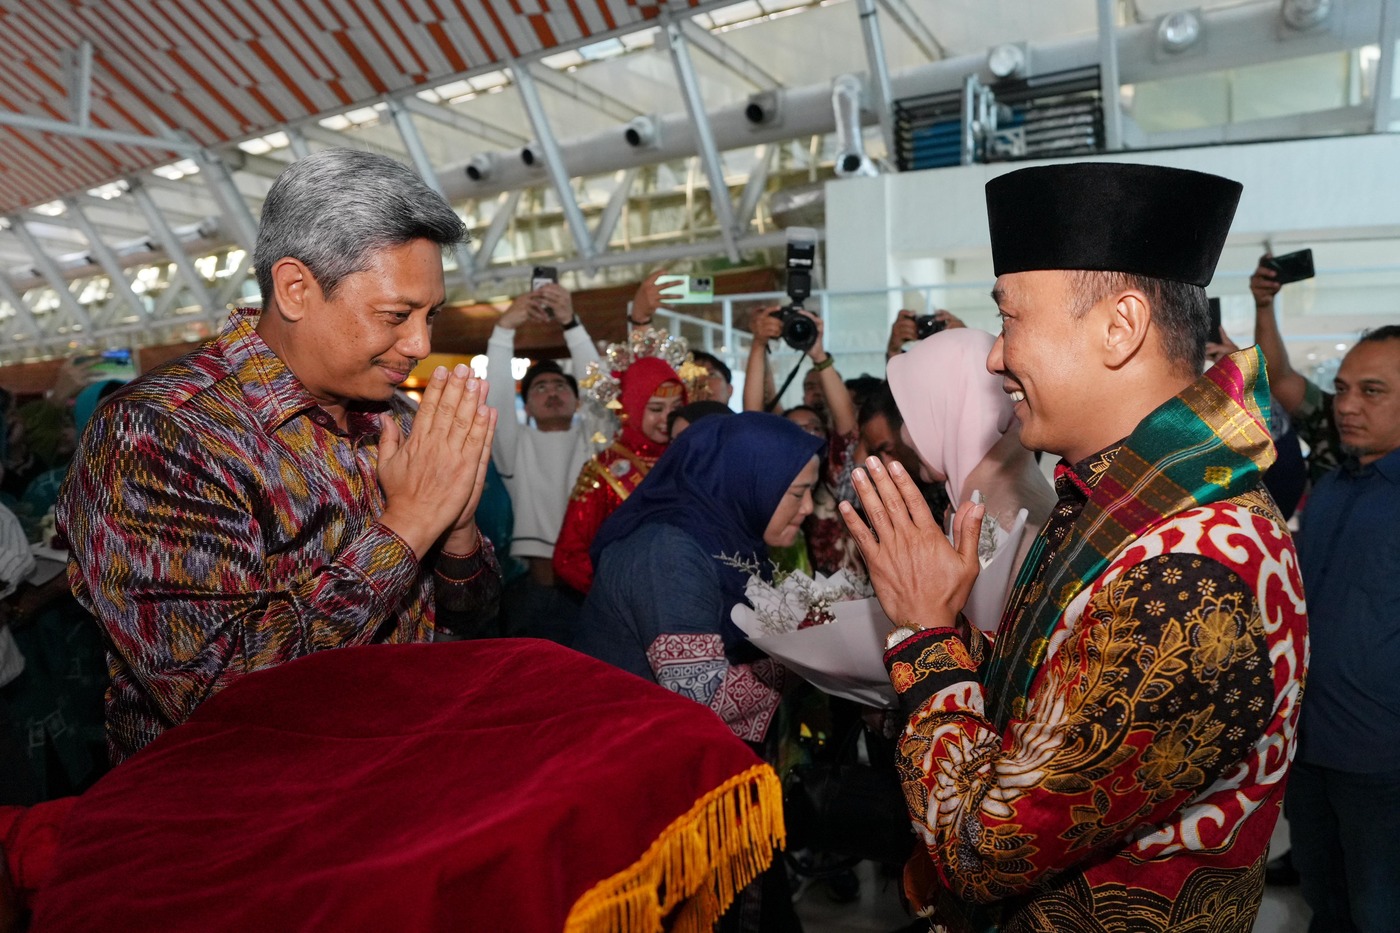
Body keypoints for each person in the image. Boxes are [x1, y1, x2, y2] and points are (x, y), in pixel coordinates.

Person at [840, 162, 1307, 931]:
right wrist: (957, 632)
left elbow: (982, 849)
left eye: (1010, 319)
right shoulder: (1129, 495)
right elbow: (1062, 696)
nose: (995, 356)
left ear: (1121, 326)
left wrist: (924, 637)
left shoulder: (1188, 572)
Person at [56, 148, 502, 763]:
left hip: (394, 767)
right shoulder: (162, 431)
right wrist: (410, 524)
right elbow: (215, 690)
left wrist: (457, 529)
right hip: (234, 801)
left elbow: (472, 615)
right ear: (295, 289)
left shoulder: (394, 416)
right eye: (397, 315)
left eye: (431, 316)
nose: (421, 344)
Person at [1248, 254, 1400, 929]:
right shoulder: (1335, 482)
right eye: (1340, 388)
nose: (1345, 405)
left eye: (1372, 391)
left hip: (1382, 763)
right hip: (1308, 751)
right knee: (1324, 906)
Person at [575, 411, 820, 741]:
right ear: (747, 482)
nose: (809, 507)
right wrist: (812, 659)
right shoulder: (668, 553)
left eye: (812, 491)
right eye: (798, 493)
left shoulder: (732, 539)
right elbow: (701, 694)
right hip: (629, 745)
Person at [886, 327, 1055, 628]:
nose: (903, 434)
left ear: (949, 410)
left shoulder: (989, 513)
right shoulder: (1017, 481)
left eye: (911, 414)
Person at [486, 285, 600, 642]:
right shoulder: (515, 448)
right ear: (528, 407)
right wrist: (504, 329)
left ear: (577, 401)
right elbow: (497, 397)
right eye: (539, 387)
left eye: (560, 386)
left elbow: (599, 391)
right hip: (536, 593)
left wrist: (571, 324)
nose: (551, 391)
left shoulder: (595, 445)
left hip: (594, 592)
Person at [552, 356, 687, 594]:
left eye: (676, 408)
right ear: (632, 407)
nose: (667, 418)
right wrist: (620, 592)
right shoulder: (602, 470)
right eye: (656, 409)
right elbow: (568, 557)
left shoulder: (688, 458)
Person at [745, 307, 861, 576]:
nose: (808, 434)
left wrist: (818, 355)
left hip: (844, 589)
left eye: (815, 428)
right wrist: (759, 344)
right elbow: (752, 420)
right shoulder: (770, 470)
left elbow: (847, 424)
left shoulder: (834, 468)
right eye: (798, 429)